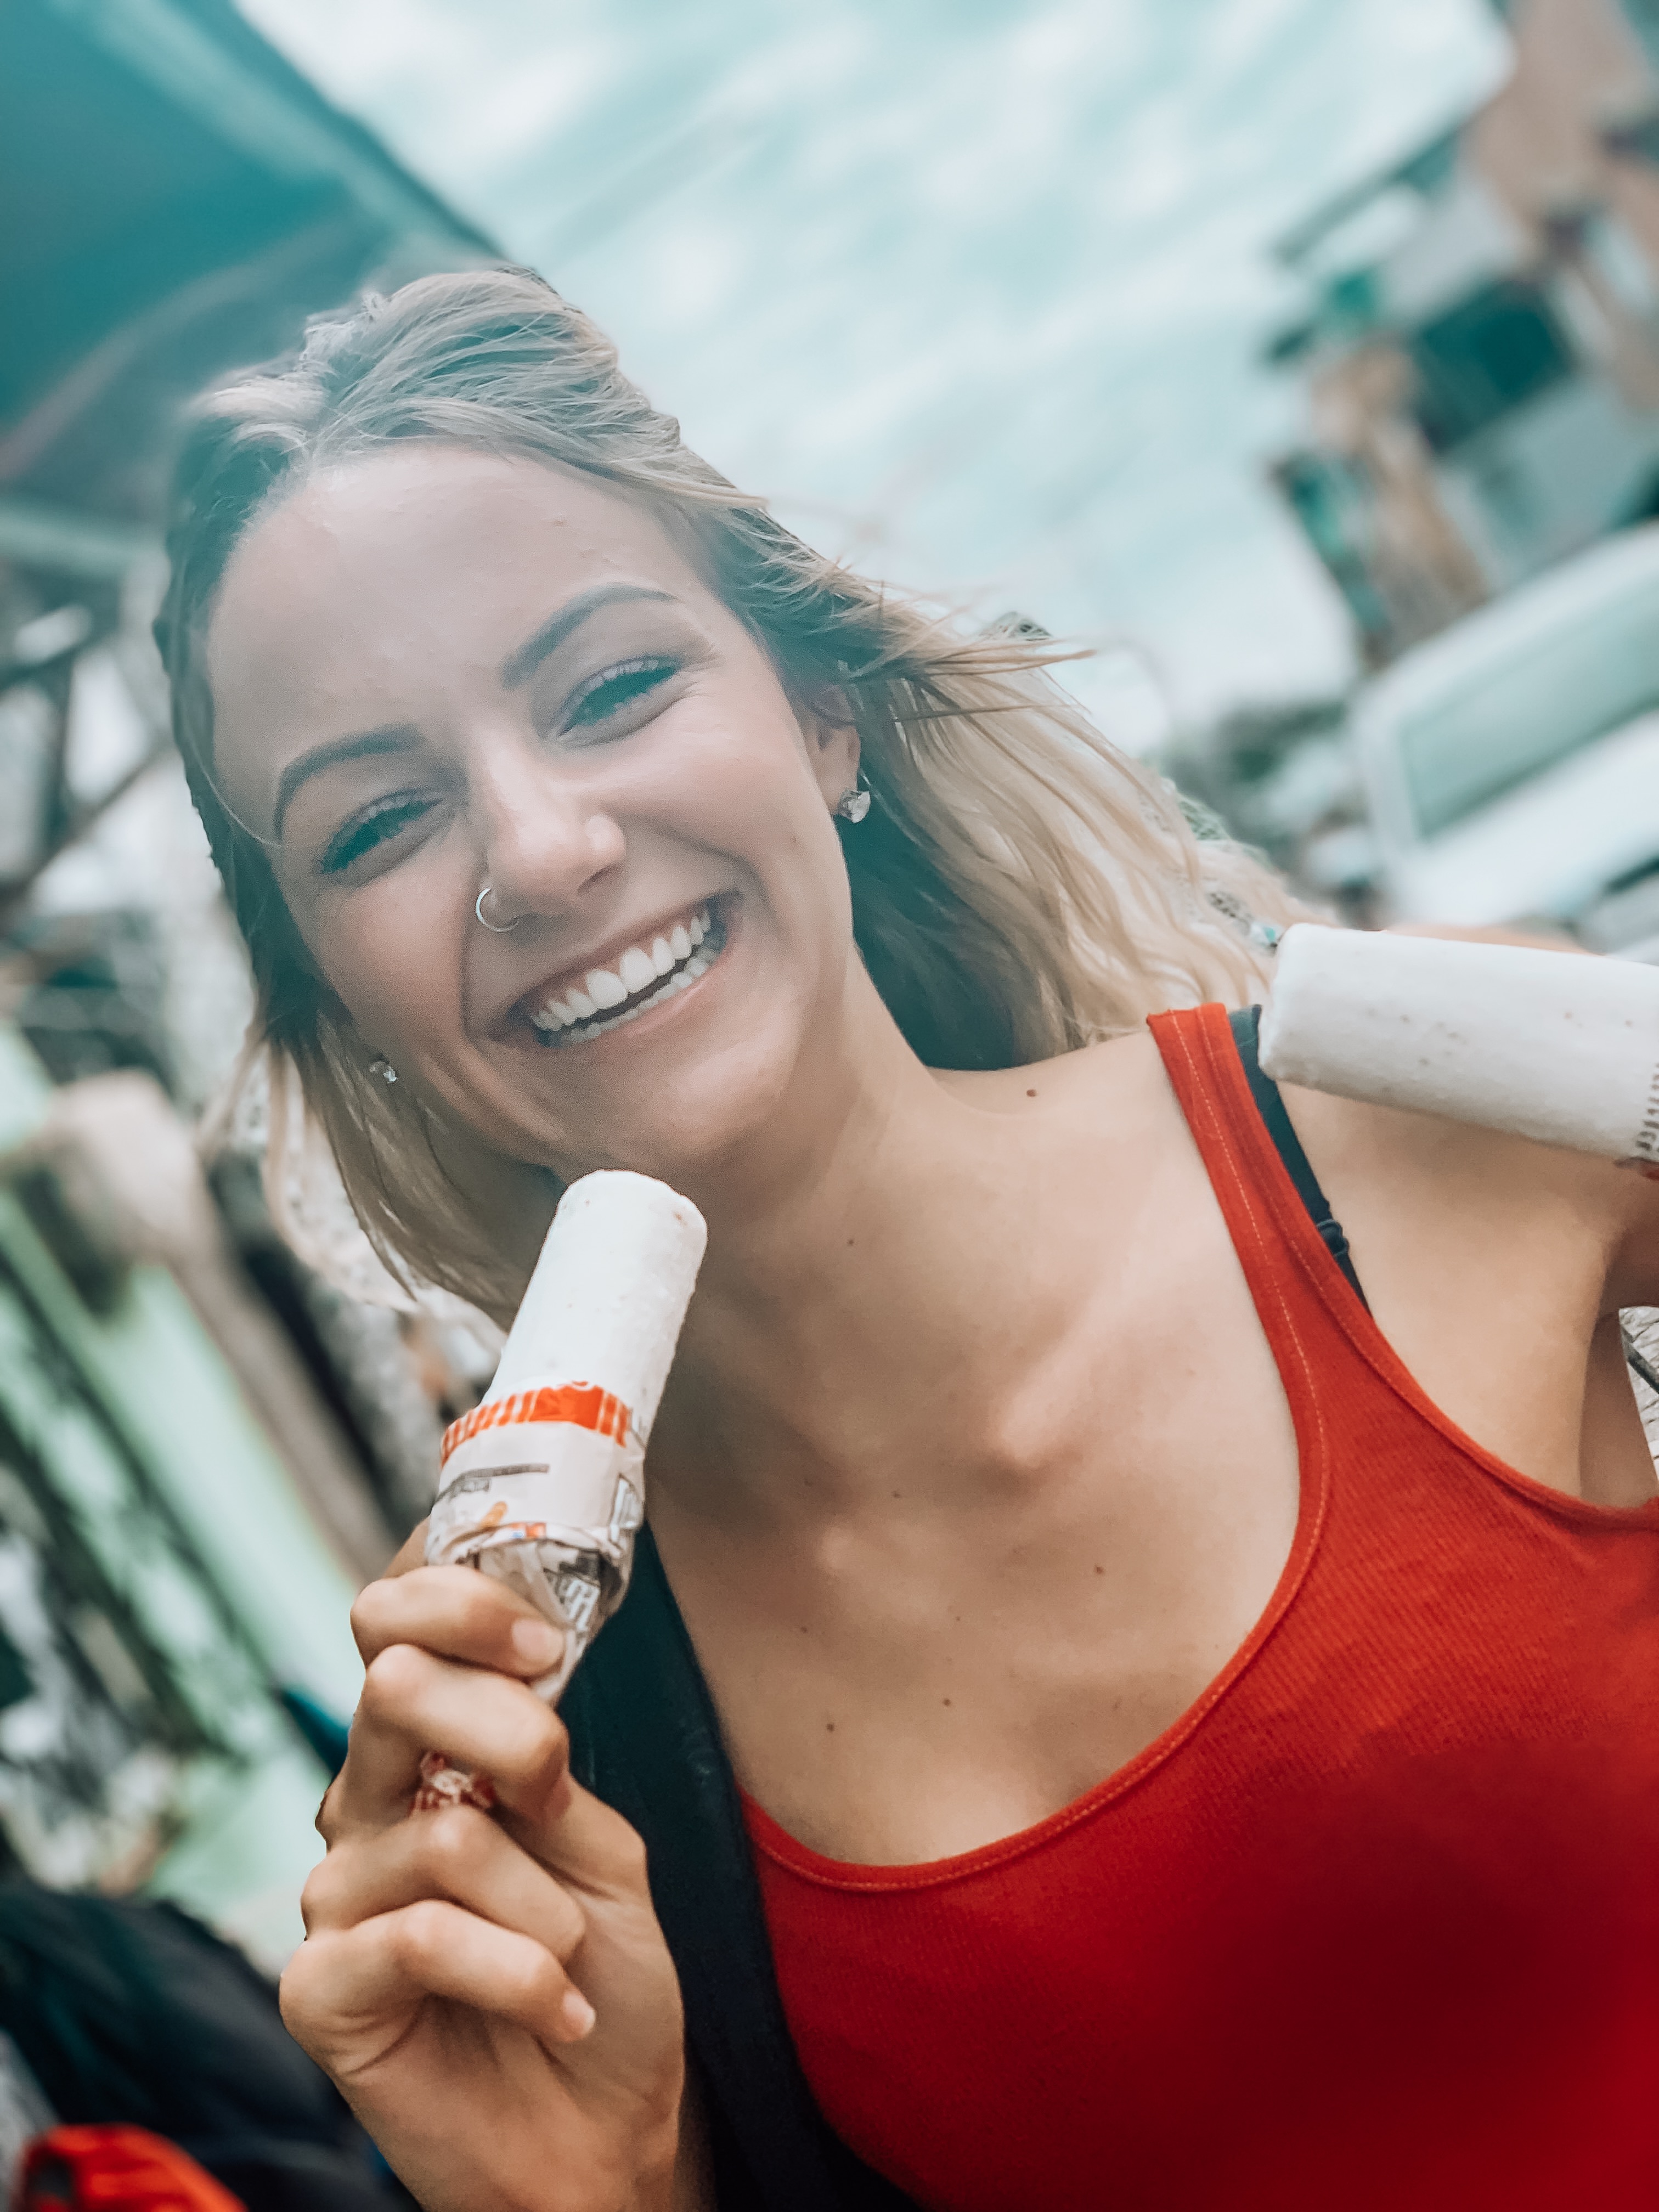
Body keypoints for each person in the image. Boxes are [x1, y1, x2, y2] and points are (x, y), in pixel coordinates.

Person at [154, 268, 1659, 2212]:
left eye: (611, 691)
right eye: (377, 825)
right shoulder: (532, 1753)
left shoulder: (1434, 1132)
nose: (540, 851)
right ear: (334, 1001)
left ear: (822, 714)